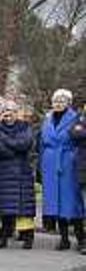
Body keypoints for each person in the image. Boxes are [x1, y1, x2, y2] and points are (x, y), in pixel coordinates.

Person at [39, 89, 84, 251]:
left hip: (68, 162)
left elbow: (79, 140)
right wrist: (40, 167)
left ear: (68, 103)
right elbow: (41, 143)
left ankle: (81, 238)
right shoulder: (47, 119)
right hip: (50, 163)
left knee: (72, 202)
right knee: (56, 203)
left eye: (62, 100)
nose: (58, 103)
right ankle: (64, 238)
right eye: (55, 100)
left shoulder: (75, 118)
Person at [0, 100, 36, 249]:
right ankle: (3, 237)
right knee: (4, 208)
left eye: (11, 110)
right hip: (3, 171)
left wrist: (7, 142)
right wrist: (14, 148)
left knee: (25, 208)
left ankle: (28, 237)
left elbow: (25, 144)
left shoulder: (25, 126)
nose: (8, 113)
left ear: (16, 112)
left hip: (22, 172)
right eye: (6, 110)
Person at [69, 103, 86, 254]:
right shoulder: (80, 117)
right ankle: (83, 241)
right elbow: (73, 133)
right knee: (82, 208)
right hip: (83, 170)